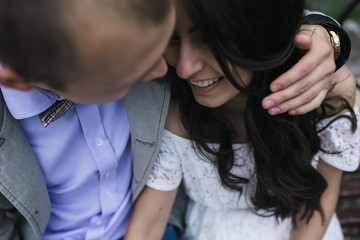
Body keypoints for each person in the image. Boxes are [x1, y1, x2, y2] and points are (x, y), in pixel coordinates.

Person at [0, 0, 353, 239]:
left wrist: (327, 33)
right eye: (127, 71)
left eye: (206, 41)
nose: (172, 70)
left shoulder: (322, 92)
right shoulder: (179, 105)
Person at [124, 0, 360, 239]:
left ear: (257, 32)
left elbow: (317, 207)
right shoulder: (174, 108)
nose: (185, 68)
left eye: (209, 40)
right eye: (173, 38)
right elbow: (148, 225)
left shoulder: (325, 94)